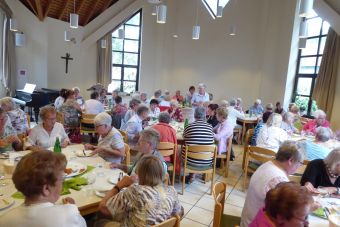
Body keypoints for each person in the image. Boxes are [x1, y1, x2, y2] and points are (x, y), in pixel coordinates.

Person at [0, 151, 86, 227]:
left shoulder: (4, 220)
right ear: (46, 189)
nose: (62, 184)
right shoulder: (69, 214)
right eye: (61, 179)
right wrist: (72, 208)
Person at [99, 156, 182, 226]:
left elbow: (103, 208)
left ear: (140, 173)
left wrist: (118, 186)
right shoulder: (172, 190)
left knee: (99, 221)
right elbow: (177, 214)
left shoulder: (135, 190)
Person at [241, 141, 305, 227]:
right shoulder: (279, 179)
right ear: (290, 160)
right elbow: (286, 216)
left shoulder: (268, 164)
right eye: (299, 163)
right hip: (255, 224)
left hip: (249, 221)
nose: (299, 167)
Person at [182, 107, 214, 183]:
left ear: (194, 115)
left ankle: (190, 175)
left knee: (183, 149)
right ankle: (193, 175)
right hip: (207, 161)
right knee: (197, 148)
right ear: (204, 116)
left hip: (190, 161)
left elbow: (184, 138)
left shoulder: (189, 126)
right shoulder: (210, 127)